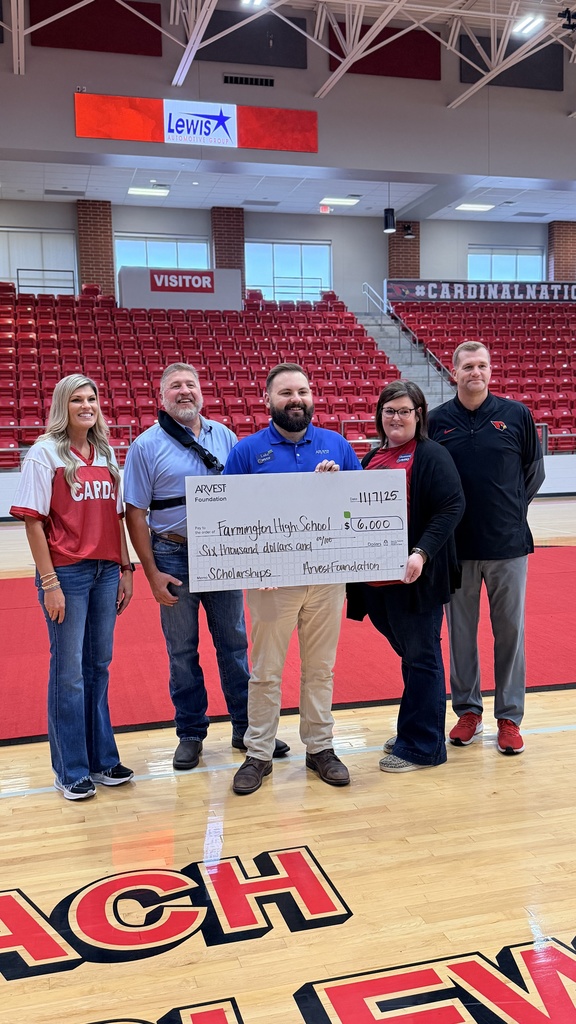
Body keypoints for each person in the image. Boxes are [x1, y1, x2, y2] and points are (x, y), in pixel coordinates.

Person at [123, 362, 289, 770]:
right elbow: (134, 513)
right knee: (181, 651)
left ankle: (246, 729)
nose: (184, 391)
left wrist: (254, 558)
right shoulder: (145, 446)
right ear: (161, 397)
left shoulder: (226, 436)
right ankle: (191, 733)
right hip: (171, 554)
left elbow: (244, 498)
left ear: (202, 392)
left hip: (223, 554)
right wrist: (151, 571)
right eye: (175, 386)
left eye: (190, 385)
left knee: (234, 645)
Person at [224, 363, 362, 796]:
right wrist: (253, 566)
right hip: (271, 583)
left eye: (301, 390)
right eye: (285, 393)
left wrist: (337, 489)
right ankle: (259, 753)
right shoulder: (246, 452)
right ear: (268, 401)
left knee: (320, 669)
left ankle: (320, 748)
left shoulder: (337, 446)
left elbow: (360, 509)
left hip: (326, 579)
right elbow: (229, 516)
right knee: (265, 672)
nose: (295, 399)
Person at [10, 374, 134, 801]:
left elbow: (116, 519)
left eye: (93, 398)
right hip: (67, 574)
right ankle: (71, 769)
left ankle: (102, 760)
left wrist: (126, 569)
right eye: (77, 399)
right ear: (63, 405)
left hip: (104, 573)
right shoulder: (45, 454)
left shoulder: (106, 453)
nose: (87, 405)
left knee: (98, 667)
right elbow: (32, 522)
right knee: (68, 673)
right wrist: (49, 583)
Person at [428, 341, 545, 755]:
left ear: (490, 371)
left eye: (482, 366)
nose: (475, 372)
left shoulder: (516, 416)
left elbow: (533, 472)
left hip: (508, 545)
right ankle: (469, 712)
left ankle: (510, 718)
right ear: (453, 372)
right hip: (455, 548)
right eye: (467, 366)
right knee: (461, 633)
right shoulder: (436, 421)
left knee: (510, 632)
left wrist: (509, 510)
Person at [346, 380, 465, 772]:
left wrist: (422, 552)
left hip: (415, 580)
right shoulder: (373, 456)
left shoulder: (432, 455)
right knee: (412, 659)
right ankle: (415, 729)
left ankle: (424, 747)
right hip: (379, 584)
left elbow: (451, 507)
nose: (396, 418)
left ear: (419, 415)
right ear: (380, 416)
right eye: (389, 411)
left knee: (423, 659)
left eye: (404, 411)